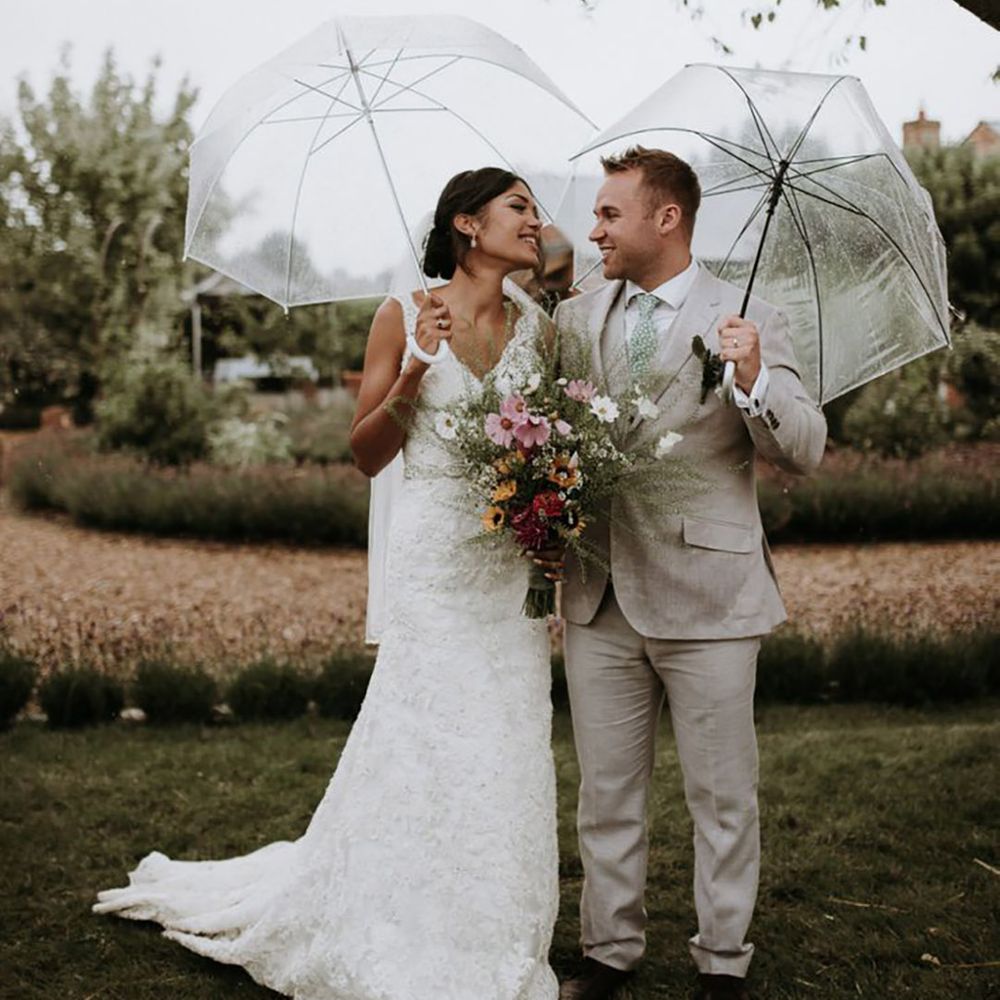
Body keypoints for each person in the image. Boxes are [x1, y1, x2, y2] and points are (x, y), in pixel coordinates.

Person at [94, 168, 562, 1000]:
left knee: (505, 743)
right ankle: (399, 916)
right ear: (467, 222)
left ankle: (491, 923)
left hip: (504, 572)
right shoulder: (402, 314)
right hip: (434, 570)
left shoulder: (539, 329)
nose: (538, 222)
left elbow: (542, 447)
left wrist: (549, 512)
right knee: (425, 742)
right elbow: (366, 452)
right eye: (520, 207)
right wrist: (416, 368)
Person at [554, 147, 827, 1000]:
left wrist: (750, 376)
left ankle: (722, 962)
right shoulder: (576, 316)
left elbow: (805, 448)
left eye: (608, 214)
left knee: (722, 797)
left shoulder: (751, 317)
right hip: (597, 595)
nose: (592, 229)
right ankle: (609, 950)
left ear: (664, 219)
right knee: (605, 794)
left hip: (710, 595)